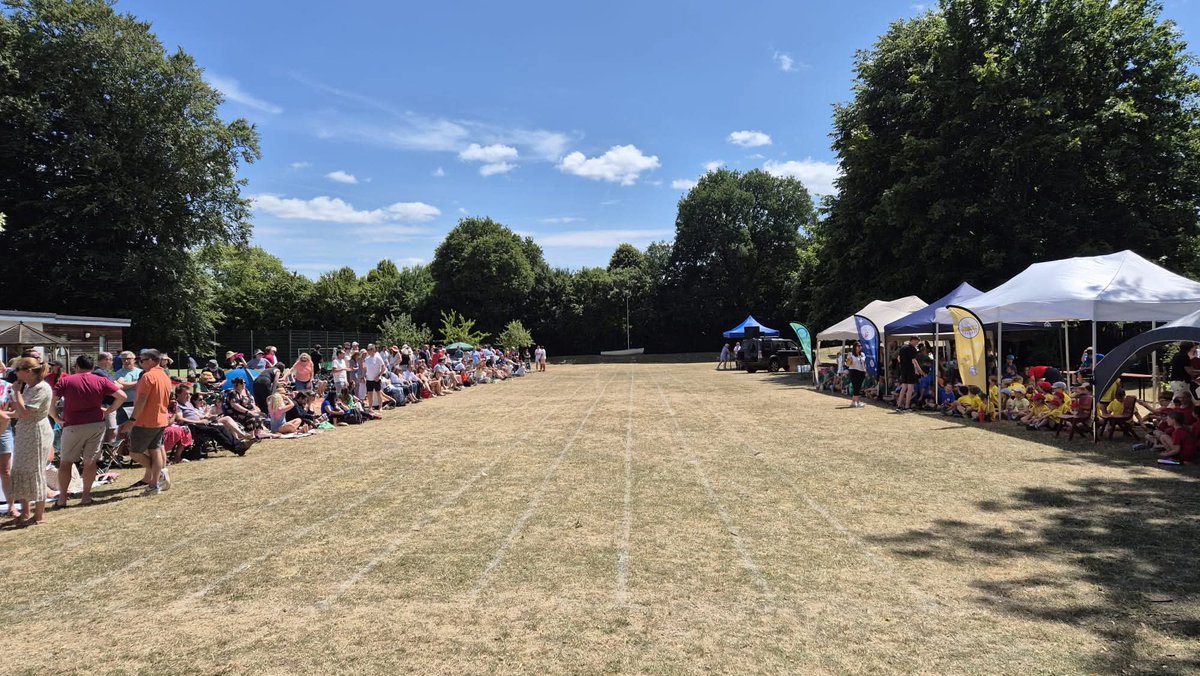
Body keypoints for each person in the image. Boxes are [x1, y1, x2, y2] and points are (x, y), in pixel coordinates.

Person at [50, 354, 126, 507]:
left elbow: (52, 401)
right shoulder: (101, 380)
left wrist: (56, 417)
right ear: (92, 367)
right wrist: (109, 410)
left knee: (66, 462)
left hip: (72, 425)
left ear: (77, 366)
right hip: (96, 424)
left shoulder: (66, 380)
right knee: (90, 461)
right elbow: (122, 396)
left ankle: (62, 498)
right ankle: (86, 496)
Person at [120, 349, 173, 496]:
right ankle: (154, 483)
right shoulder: (164, 375)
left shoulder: (148, 376)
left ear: (150, 360)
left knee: (134, 453)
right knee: (155, 451)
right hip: (160, 419)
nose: (139, 363)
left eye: (141, 360)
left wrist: (132, 420)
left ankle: (157, 475)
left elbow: (142, 400)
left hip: (146, 421)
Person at [7, 357, 53, 526]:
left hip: (36, 432)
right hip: (24, 431)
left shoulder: (42, 388)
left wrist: (17, 393)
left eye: (17, 370)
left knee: (35, 471)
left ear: (28, 371)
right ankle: (25, 512)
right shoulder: (28, 387)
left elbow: (27, 412)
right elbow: (19, 411)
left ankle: (39, 515)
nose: (15, 373)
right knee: (20, 470)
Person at [897, 336, 923, 412]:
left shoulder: (902, 347)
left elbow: (898, 358)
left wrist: (903, 364)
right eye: (916, 342)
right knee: (910, 388)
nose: (916, 344)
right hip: (910, 370)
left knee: (903, 388)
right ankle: (907, 406)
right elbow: (914, 360)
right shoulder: (912, 349)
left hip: (903, 370)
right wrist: (919, 369)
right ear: (913, 340)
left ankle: (899, 406)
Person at [362, 344, 387, 412]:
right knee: (369, 394)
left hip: (376, 379)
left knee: (379, 393)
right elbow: (364, 369)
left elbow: (384, 368)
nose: (368, 351)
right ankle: (370, 407)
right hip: (369, 379)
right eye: (368, 350)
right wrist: (362, 377)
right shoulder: (366, 359)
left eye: (370, 349)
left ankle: (380, 407)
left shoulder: (378, 358)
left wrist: (378, 376)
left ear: (373, 350)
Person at [844, 342, 868, 408]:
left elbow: (864, 363)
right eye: (858, 346)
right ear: (855, 347)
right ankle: (858, 402)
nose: (860, 347)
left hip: (862, 372)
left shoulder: (862, 354)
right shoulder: (851, 354)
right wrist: (849, 359)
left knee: (858, 387)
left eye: (860, 346)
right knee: (856, 386)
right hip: (853, 371)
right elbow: (847, 364)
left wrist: (866, 371)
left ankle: (853, 402)